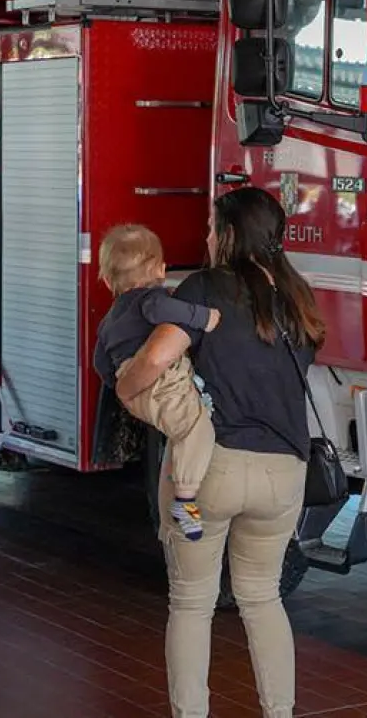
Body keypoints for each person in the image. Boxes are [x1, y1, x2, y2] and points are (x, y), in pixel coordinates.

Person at [114, 188, 326, 718]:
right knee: (263, 598)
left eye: (212, 228)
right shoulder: (298, 296)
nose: (207, 237)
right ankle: (280, 712)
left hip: (210, 472)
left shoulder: (205, 287)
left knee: (191, 603)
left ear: (230, 234)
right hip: (284, 473)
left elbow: (156, 357)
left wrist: (125, 387)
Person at [94, 225, 222, 541]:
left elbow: (100, 361)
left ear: (108, 281)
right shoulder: (150, 300)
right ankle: (186, 500)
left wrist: (120, 386)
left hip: (132, 383)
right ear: (161, 271)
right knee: (197, 431)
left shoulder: (109, 319)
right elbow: (164, 310)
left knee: (179, 431)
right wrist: (205, 317)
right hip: (157, 379)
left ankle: (180, 487)